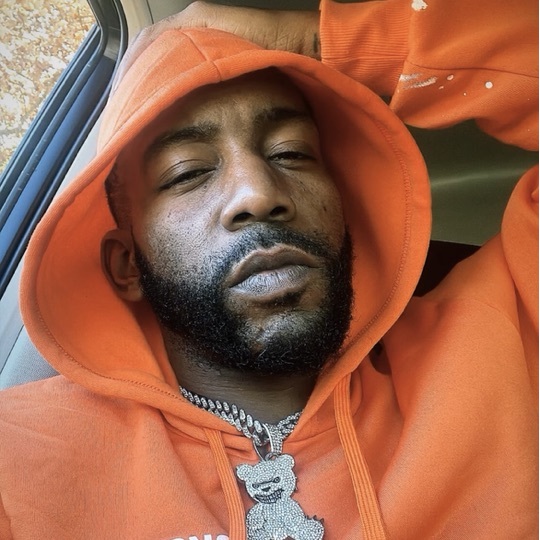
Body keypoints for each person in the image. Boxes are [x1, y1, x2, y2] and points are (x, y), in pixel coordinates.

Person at [0, 0, 537, 538]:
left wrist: (321, 42)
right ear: (128, 265)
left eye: (291, 153)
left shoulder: (500, 347)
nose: (258, 194)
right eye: (187, 172)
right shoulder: (18, 458)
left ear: (343, 211)